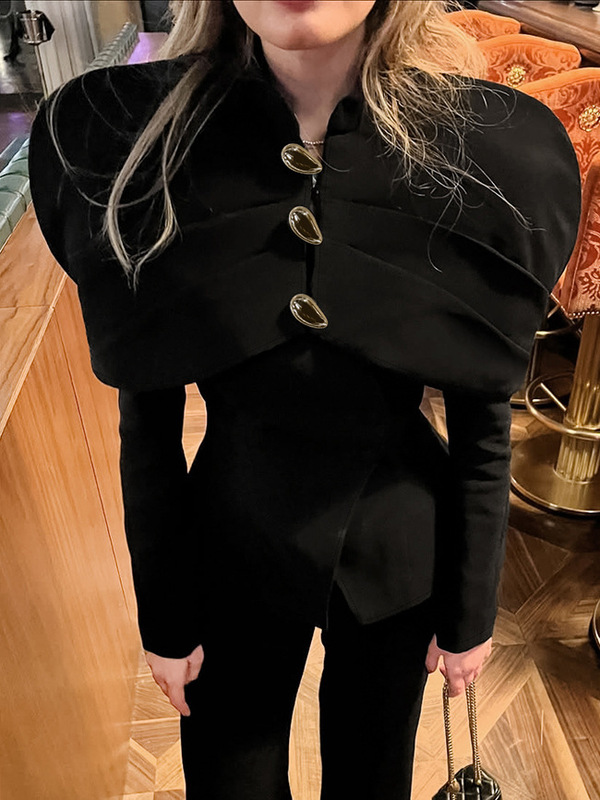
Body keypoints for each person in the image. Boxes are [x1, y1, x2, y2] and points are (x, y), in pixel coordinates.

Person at [27, 1, 581, 798]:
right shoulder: (138, 145)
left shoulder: (478, 154)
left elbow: (481, 424)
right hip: (230, 554)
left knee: (373, 779)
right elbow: (145, 429)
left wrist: (470, 617)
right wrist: (166, 620)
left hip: (400, 558)